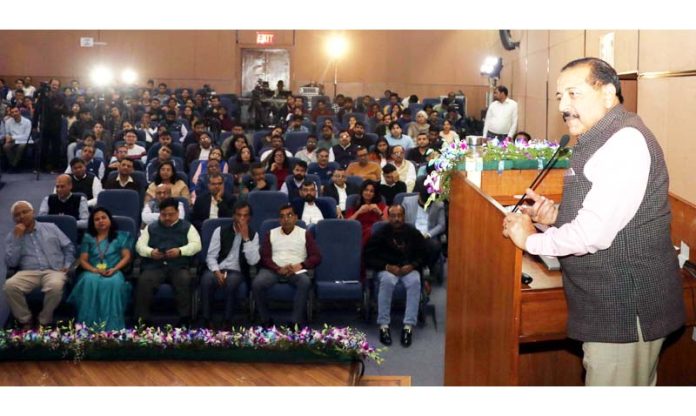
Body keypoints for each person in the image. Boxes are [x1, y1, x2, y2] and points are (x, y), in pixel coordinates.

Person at [502, 57, 684, 386]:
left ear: (608, 92)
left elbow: (592, 235)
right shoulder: (599, 136)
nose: (564, 105)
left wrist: (529, 239)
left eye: (574, 94)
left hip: (626, 311)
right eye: (559, 96)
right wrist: (552, 218)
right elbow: (604, 215)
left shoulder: (624, 142)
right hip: (610, 309)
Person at [4, 201, 75, 329]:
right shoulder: (12, 236)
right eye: (17, 215)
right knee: (9, 286)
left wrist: (67, 264)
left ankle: (44, 319)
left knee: (55, 286)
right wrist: (17, 239)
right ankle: (25, 319)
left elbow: (68, 247)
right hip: (28, 271)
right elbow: (12, 262)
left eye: (25, 212)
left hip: (54, 269)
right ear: (14, 219)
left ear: (33, 213)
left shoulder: (51, 227)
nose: (21, 216)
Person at [365, 204, 426, 347]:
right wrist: (386, 266)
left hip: (408, 269)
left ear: (404, 217)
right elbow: (368, 256)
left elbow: (424, 254)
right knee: (387, 280)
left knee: (415, 280)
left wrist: (413, 265)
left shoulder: (412, 232)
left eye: (399, 216)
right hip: (387, 269)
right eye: (393, 216)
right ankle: (384, 326)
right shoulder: (380, 233)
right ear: (388, 217)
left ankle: (408, 326)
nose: (397, 219)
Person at [135, 197, 201, 326]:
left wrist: (180, 251)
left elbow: (197, 245)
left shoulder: (187, 227)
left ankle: (184, 319)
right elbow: (139, 246)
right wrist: (150, 252)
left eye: (171, 214)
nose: (167, 218)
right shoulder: (151, 227)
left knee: (184, 279)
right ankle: (142, 320)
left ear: (177, 213)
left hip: (178, 265)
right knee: (144, 280)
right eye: (164, 215)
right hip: (155, 266)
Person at [254, 204, 321, 327]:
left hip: (295, 269)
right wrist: (278, 269)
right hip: (274, 269)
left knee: (305, 282)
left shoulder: (304, 234)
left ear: (295, 218)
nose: (286, 219)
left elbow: (316, 257)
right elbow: (265, 257)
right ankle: (266, 320)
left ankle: (295, 322)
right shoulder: (271, 233)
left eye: (289, 215)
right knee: (257, 283)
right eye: (282, 216)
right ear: (279, 220)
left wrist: (301, 265)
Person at [67, 208, 133, 331]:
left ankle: (113, 328)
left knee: (113, 282)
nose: (100, 221)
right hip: (91, 271)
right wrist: (95, 270)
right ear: (92, 223)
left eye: (103, 218)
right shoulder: (88, 237)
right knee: (89, 281)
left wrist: (114, 269)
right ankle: (87, 327)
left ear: (110, 220)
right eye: (96, 219)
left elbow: (126, 257)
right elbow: (83, 260)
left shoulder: (121, 236)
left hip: (114, 270)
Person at [201, 201, 260, 328]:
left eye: (245, 216)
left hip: (237, 271)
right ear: (233, 216)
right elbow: (211, 256)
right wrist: (216, 271)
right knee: (206, 280)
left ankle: (227, 320)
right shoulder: (220, 231)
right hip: (218, 267)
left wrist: (246, 239)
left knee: (231, 282)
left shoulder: (253, 235)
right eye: (239, 215)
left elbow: (253, 261)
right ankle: (207, 319)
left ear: (249, 218)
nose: (242, 219)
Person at [402, 187, 446, 279]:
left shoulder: (439, 204)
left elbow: (441, 225)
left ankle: (425, 266)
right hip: (412, 233)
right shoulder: (407, 201)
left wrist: (429, 234)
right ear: (419, 196)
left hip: (428, 235)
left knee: (435, 246)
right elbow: (403, 221)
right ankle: (418, 269)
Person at [346, 180, 388, 246]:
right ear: (362, 191)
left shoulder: (381, 206)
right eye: (366, 190)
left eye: (371, 191)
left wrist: (379, 211)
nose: (368, 193)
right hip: (358, 232)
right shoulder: (354, 205)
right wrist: (358, 212)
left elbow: (388, 223)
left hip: (375, 232)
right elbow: (347, 224)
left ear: (375, 194)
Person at [1, 106, 32, 172]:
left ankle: (13, 166)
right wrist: (7, 137)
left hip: (24, 140)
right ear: (11, 114)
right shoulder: (8, 122)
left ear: (19, 112)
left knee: (21, 146)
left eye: (16, 111)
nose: (14, 113)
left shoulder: (27, 122)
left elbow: (27, 136)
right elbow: (7, 133)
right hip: (13, 140)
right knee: (5, 146)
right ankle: (14, 164)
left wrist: (12, 137)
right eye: (12, 112)